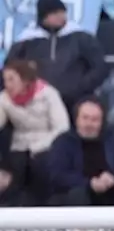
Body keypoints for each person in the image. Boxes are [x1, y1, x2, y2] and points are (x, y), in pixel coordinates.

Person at [7, 0, 109, 110]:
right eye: (55, 13)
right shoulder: (25, 42)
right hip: (35, 102)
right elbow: (10, 70)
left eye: (63, 12)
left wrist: (80, 88)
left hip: (77, 101)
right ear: (43, 17)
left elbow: (100, 68)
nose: (61, 16)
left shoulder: (81, 38)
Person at [45, 99, 114, 207]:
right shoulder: (63, 142)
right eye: (85, 118)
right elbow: (57, 177)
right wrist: (89, 184)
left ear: (102, 121)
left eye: (94, 120)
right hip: (77, 196)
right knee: (76, 195)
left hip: (112, 194)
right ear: (76, 120)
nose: (89, 124)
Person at [0, 60, 70, 205]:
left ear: (25, 79)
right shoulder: (4, 98)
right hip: (20, 143)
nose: (7, 84)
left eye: (11, 79)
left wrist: (39, 146)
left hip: (48, 141)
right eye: (5, 80)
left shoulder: (49, 94)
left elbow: (62, 127)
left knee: (41, 164)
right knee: (15, 169)